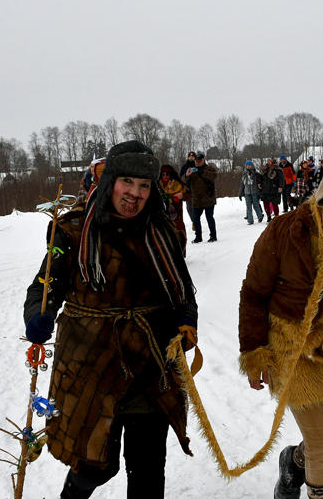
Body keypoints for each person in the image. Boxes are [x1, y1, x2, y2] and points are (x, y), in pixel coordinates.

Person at [22, 141, 198, 499]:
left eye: (144, 185)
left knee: (147, 469)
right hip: (90, 366)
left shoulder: (163, 232)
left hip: (149, 366)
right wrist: (40, 313)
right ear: (109, 182)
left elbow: (182, 291)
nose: (135, 193)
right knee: (94, 465)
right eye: (127, 182)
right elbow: (44, 285)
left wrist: (186, 320)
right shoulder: (72, 231)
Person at [238, 164, 323, 499]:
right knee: (322, 443)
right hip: (289, 345)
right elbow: (254, 293)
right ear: (322, 199)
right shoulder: (284, 231)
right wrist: (255, 352)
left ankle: (294, 461)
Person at [183, 151, 218, 243]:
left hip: (208, 198)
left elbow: (214, 176)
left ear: (203, 160)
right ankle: (198, 236)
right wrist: (187, 175)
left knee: (209, 218)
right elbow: (184, 180)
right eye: (196, 161)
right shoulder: (193, 170)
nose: (197, 163)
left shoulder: (209, 168)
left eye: (199, 161)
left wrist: (203, 172)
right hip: (197, 199)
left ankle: (213, 236)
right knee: (195, 219)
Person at [158, 164, 190, 253]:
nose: (165, 176)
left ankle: (181, 253)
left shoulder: (177, 184)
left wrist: (182, 195)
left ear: (170, 175)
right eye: (163, 174)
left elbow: (190, 195)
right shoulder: (157, 185)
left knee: (179, 234)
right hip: (162, 214)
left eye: (167, 174)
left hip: (176, 215)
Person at [239, 160, 264, 225]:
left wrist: (259, 192)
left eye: (249, 165)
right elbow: (242, 184)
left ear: (252, 166)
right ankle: (250, 220)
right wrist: (240, 192)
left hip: (254, 191)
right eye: (247, 165)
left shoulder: (255, 173)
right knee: (248, 206)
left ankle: (260, 216)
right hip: (247, 192)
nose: (248, 166)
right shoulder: (244, 174)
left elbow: (259, 182)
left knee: (256, 205)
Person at [261, 158, 285, 222]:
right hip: (266, 188)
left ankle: (276, 217)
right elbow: (261, 177)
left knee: (275, 204)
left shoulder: (278, 169)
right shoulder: (265, 169)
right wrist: (259, 183)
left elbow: (281, 179)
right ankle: (268, 216)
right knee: (266, 203)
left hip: (274, 188)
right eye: (268, 161)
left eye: (270, 161)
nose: (269, 162)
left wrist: (280, 186)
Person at [180, 151, 197, 229]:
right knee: (189, 208)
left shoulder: (196, 166)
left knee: (195, 207)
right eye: (190, 156)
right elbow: (181, 177)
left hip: (195, 190)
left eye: (192, 157)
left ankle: (196, 222)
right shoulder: (184, 167)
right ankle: (194, 222)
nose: (191, 158)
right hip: (187, 190)